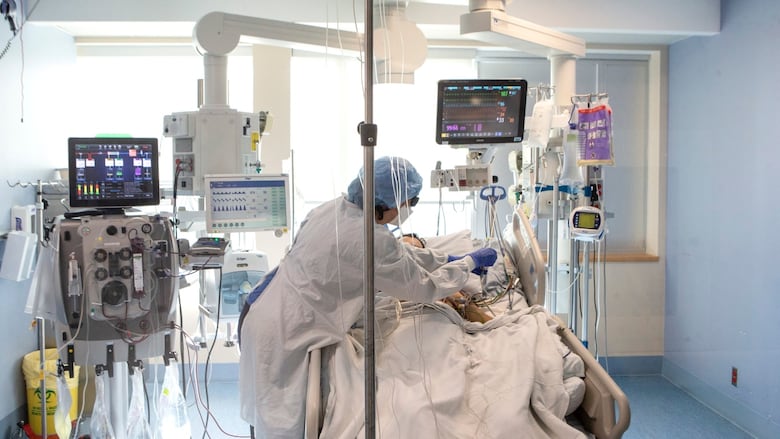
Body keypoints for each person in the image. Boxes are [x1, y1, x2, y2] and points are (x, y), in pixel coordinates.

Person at [238, 156, 497, 437]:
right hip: (288, 329)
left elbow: (400, 254)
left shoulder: (333, 209)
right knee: (279, 414)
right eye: (409, 202)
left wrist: (447, 257)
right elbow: (425, 288)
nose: (408, 209)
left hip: (263, 305)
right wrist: (467, 264)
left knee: (263, 405)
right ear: (384, 205)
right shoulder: (370, 240)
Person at [400, 234, 494, 324]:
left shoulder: (440, 282)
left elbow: (479, 316)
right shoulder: (388, 279)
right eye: (407, 248)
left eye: (417, 250)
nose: (413, 253)